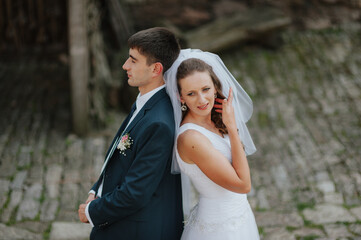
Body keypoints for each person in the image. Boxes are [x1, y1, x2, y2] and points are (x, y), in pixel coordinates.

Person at [78, 27, 183, 240]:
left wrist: (92, 211)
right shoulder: (146, 102)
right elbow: (119, 159)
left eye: (133, 61)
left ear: (155, 69)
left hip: (138, 230)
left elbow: (135, 193)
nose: (125, 65)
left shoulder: (159, 124)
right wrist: (96, 191)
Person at [164, 49, 260, 239]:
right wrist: (232, 130)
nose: (202, 100)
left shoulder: (217, 119)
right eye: (191, 93)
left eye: (206, 89)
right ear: (180, 97)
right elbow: (243, 185)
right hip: (218, 228)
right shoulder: (191, 139)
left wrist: (228, 125)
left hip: (239, 216)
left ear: (215, 87)